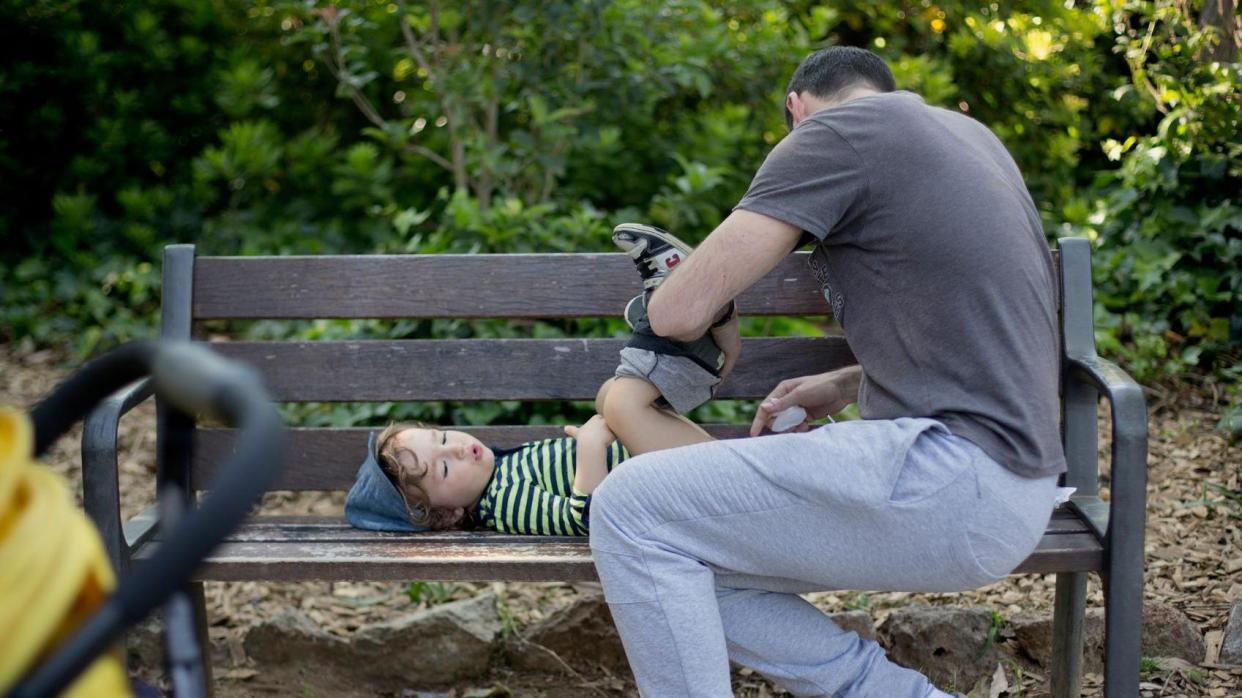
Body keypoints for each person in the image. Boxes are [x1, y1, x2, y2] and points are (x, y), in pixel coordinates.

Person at [587, 46, 1067, 697]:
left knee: (629, 507)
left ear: (796, 110)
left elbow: (678, 311)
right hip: (1018, 487)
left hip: (955, 479)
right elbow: (981, 332)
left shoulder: (835, 133)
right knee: (688, 557)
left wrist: (694, 295)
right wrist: (845, 384)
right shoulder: (970, 136)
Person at [344, 225, 743, 535]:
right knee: (619, 404)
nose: (459, 451)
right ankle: (670, 317)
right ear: (448, 516)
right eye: (444, 470)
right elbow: (587, 521)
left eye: (445, 440)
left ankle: (688, 335)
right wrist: (589, 448)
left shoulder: (502, 471)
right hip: (690, 495)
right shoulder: (504, 502)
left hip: (680, 474)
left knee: (611, 399)